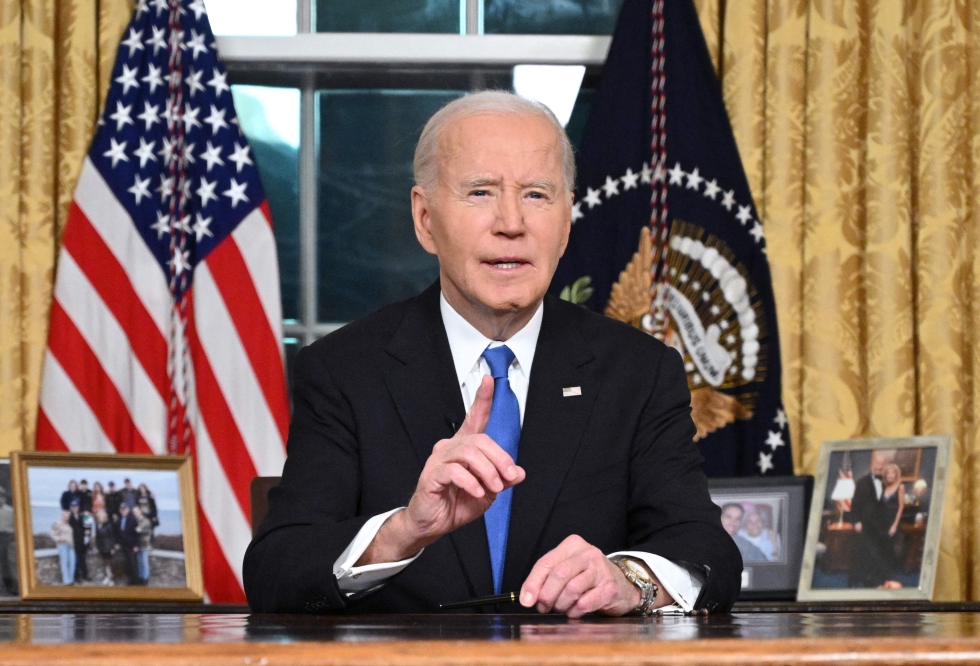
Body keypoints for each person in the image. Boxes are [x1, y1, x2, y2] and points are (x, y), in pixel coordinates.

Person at [244, 91, 741, 616]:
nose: (511, 222)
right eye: (480, 192)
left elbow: (707, 552)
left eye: (536, 195)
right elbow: (276, 569)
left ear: (567, 220)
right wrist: (404, 531)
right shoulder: (344, 369)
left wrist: (629, 579)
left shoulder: (639, 372)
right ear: (424, 219)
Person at [849, 450, 894, 587]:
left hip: (882, 527)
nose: (879, 466)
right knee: (866, 554)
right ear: (871, 464)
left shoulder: (890, 483)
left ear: (886, 465)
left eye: (882, 464)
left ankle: (879, 581)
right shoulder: (861, 483)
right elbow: (855, 505)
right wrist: (856, 522)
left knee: (882, 554)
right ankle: (861, 580)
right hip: (866, 526)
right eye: (877, 463)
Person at [879, 462, 906, 578]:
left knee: (891, 547)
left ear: (896, 474)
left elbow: (901, 506)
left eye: (892, 473)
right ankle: (882, 571)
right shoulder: (885, 487)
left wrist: (895, 525)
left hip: (892, 521)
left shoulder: (900, 486)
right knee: (882, 546)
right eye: (887, 473)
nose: (890, 475)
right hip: (882, 520)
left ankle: (889, 575)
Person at [0, 486, 16, 595]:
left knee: (10, 561)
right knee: (0, 562)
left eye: (1, 496)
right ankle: (4, 585)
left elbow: (16, 524)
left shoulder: (10, 510)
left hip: (9, 537)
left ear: (4, 498)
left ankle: (12, 585)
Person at [117, 503, 140, 585]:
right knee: (128, 564)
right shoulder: (119, 520)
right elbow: (119, 533)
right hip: (124, 545)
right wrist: (118, 543)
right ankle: (130, 581)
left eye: (124, 509)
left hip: (132, 545)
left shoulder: (133, 519)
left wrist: (136, 545)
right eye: (121, 509)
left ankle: (136, 582)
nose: (123, 511)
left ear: (128, 510)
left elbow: (137, 534)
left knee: (133, 564)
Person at [94, 510, 118, 586]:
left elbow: (113, 537)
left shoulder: (109, 525)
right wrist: (98, 546)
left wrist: (113, 548)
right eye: (99, 517)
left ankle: (113, 579)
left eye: (101, 517)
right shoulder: (98, 525)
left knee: (111, 563)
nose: (100, 518)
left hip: (109, 547)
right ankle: (108, 576)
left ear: (105, 517)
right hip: (102, 547)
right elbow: (97, 537)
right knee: (105, 563)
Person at [51, 511, 75, 586]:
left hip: (71, 546)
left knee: (72, 562)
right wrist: (59, 539)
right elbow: (53, 534)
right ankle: (67, 581)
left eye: (67, 516)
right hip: (62, 545)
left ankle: (71, 580)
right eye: (65, 516)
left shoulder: (69, 524)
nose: (66, 518)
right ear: (62, 516)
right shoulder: (58, 524)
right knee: (64, 563)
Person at [66, 499, 88, 583]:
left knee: (83, 560)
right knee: (75, 560)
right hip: (73, 541)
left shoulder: (82, 516)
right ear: (71, 507)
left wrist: (87, 531)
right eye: (73, 506)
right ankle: (76, 577)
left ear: (78, 507)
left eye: (76, 506)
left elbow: (87, 526)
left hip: (82, 541)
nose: (74, 508)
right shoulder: (69, 517)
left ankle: (85, 575)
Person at [133, 506, 152, 584]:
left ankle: (145, 578)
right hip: (138, 545)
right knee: (139, 562)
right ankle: (140, 577)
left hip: (144, 544)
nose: (135, 514)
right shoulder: (134, 521)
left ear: (140, 512)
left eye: (136, 512)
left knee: (144, 562)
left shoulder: (145, 521)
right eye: (134, 512)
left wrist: (141, 530)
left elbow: (149, 531)